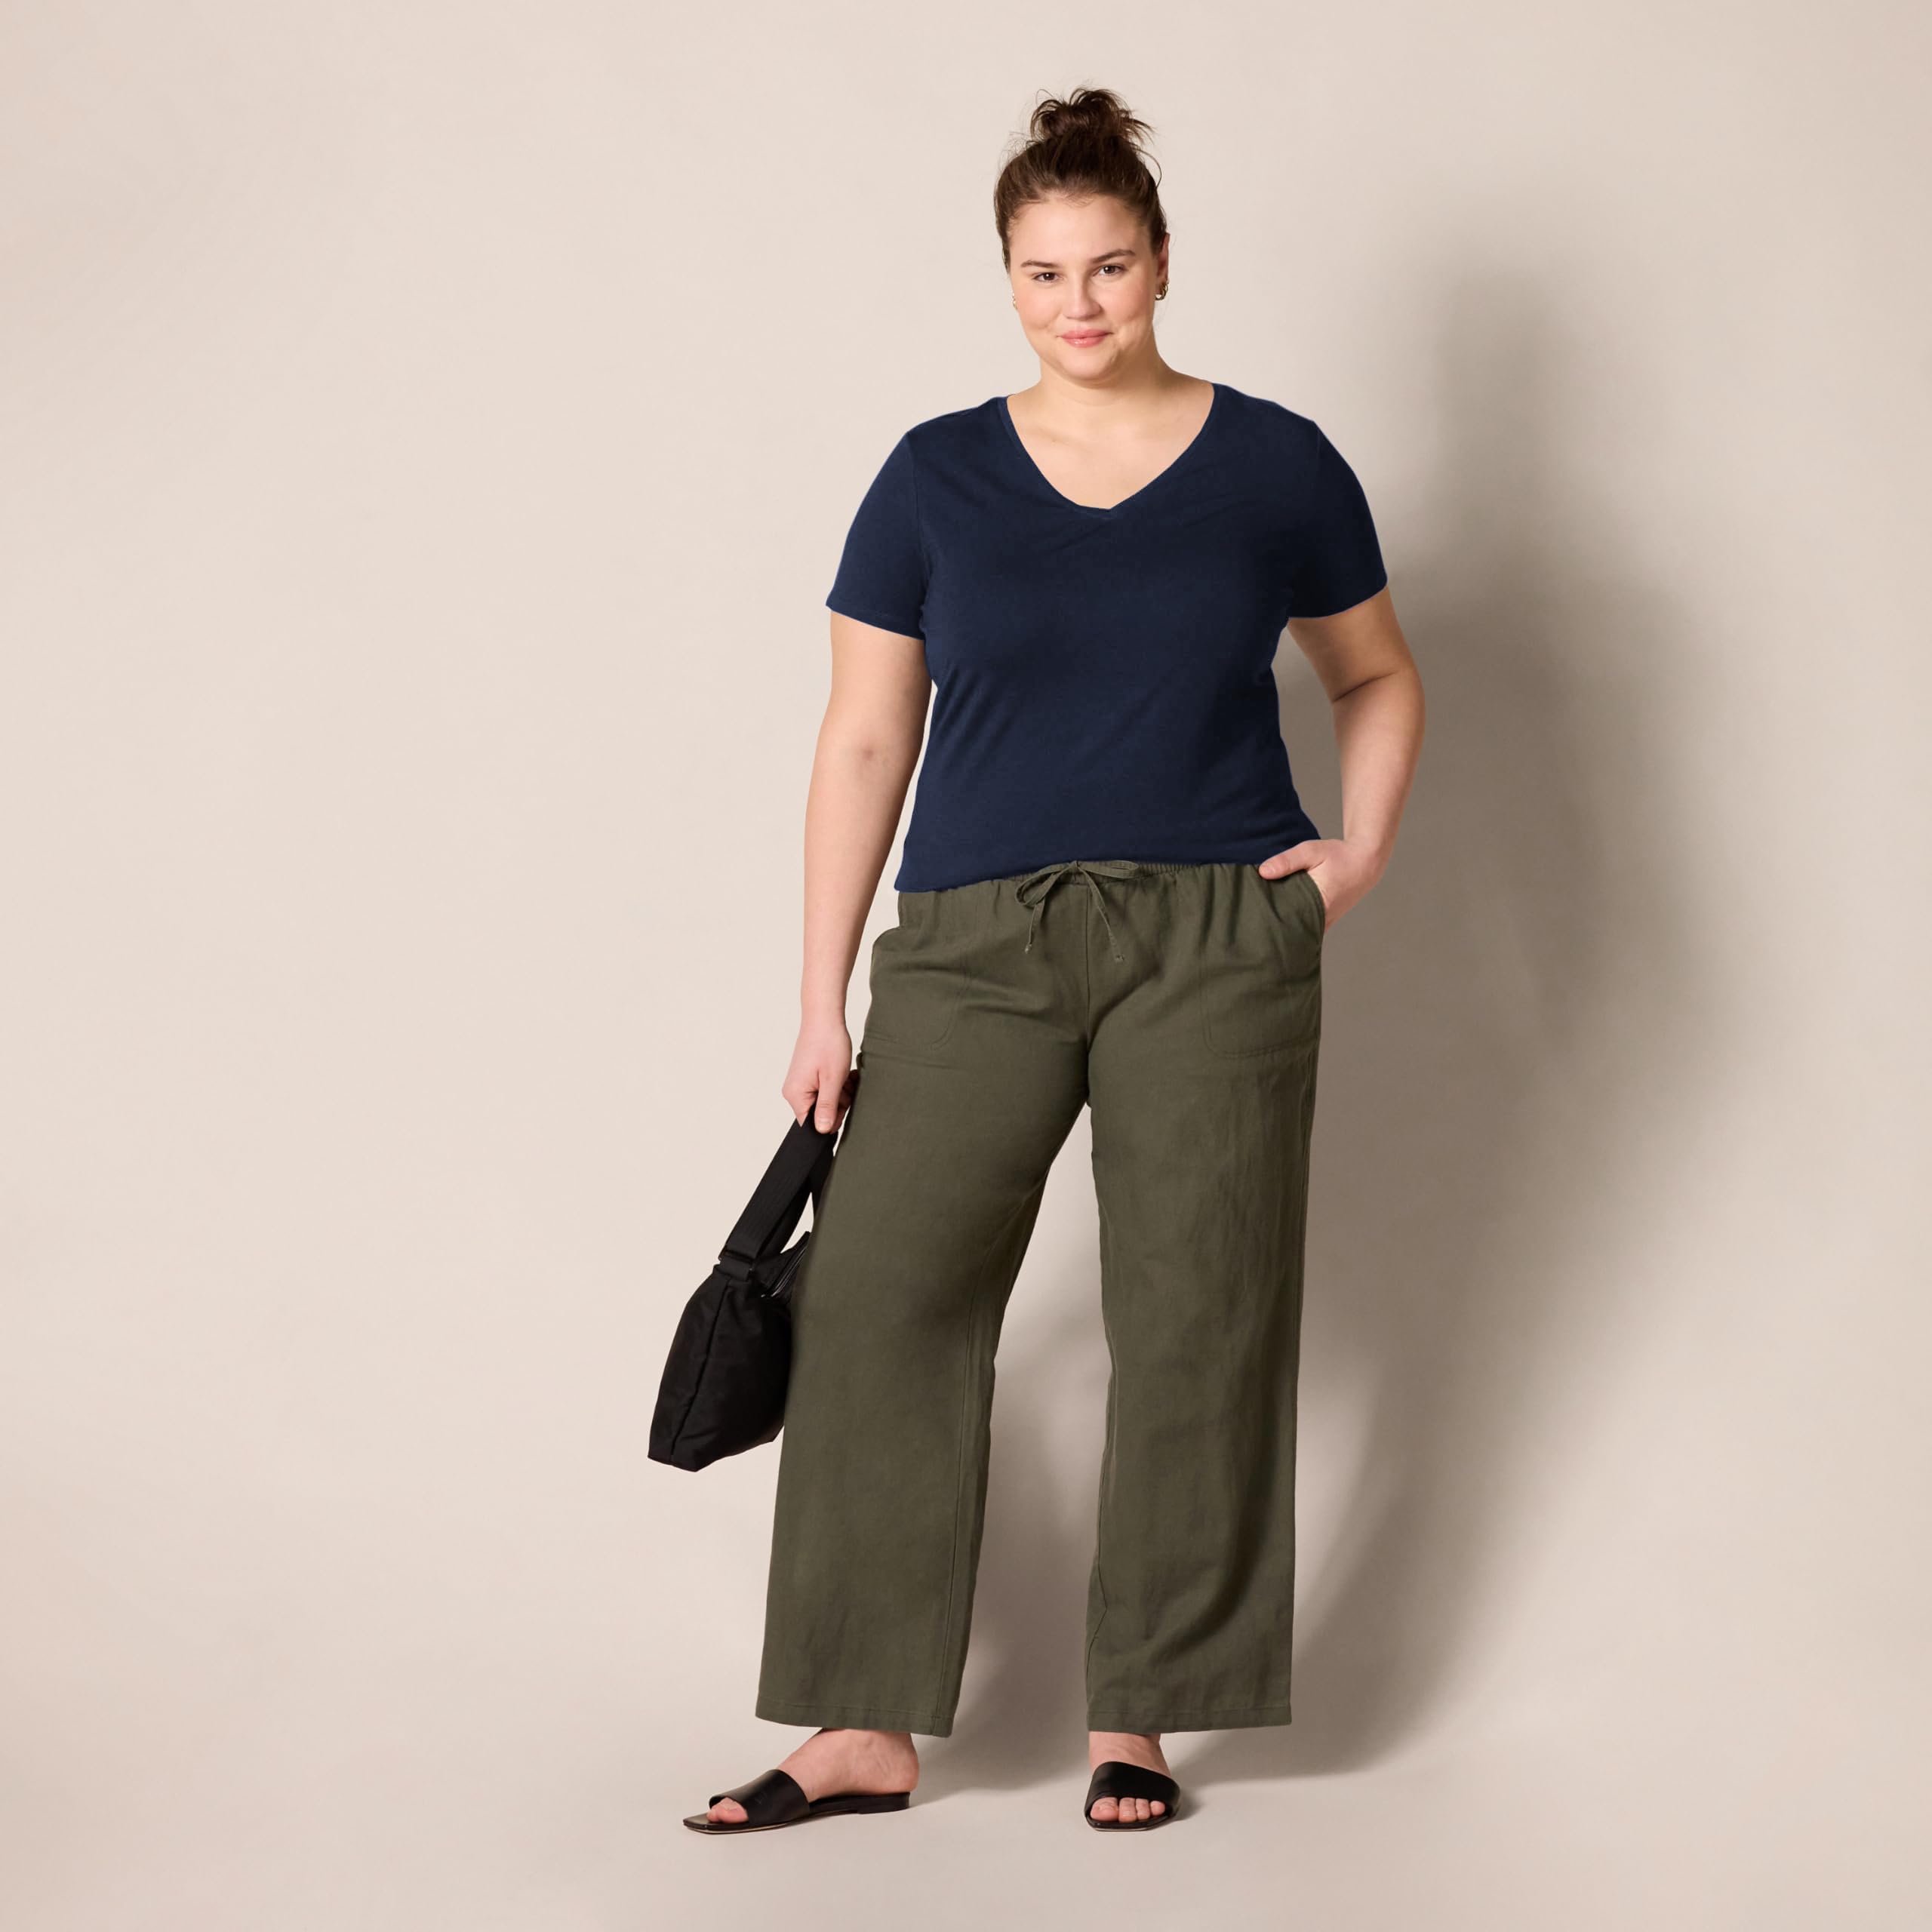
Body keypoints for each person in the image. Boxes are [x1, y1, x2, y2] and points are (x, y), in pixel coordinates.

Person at [685, 85, 1424, 1835]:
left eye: (1106, 266)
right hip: (970, 942)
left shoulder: (1277, 464)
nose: (1076, 302)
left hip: (1213, 937)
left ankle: (1139, 1712)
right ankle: (860, 1725)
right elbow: (864, 737)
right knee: (878, 1295)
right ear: (1004, 279)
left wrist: (1356, 853)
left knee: (1196, 1311)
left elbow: (1374, 671)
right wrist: (819, 995)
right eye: (1041, 272)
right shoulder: (931, 476)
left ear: (1159, 262)